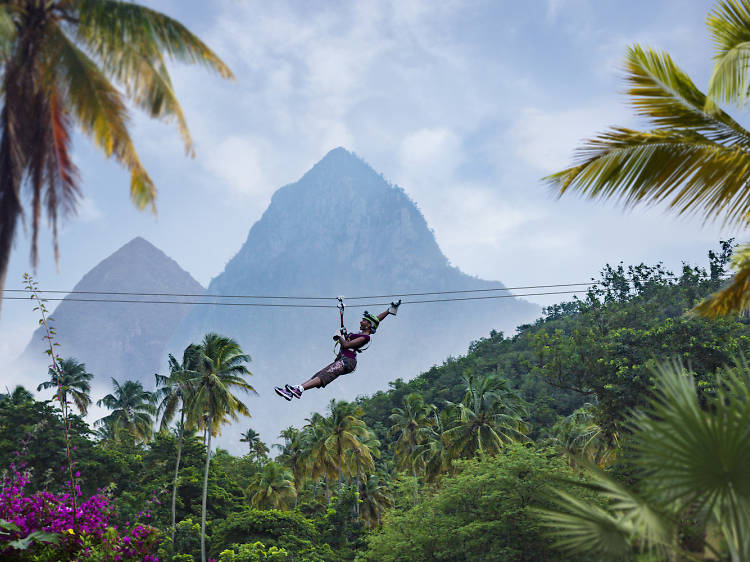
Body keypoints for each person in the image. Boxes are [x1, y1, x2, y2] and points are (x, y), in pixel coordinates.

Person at [274, 301, 400, 400]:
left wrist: (339, 336)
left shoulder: (365, 337)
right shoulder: (362, 332)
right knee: (318, 375)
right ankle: (295, 390)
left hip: (348, 361)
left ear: (369, 325)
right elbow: (376, 319)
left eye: (364, 320)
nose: (361, 321)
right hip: (342, 359)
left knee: (325, 375)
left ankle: (299, 389)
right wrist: (388, 311)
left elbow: (346, 345)